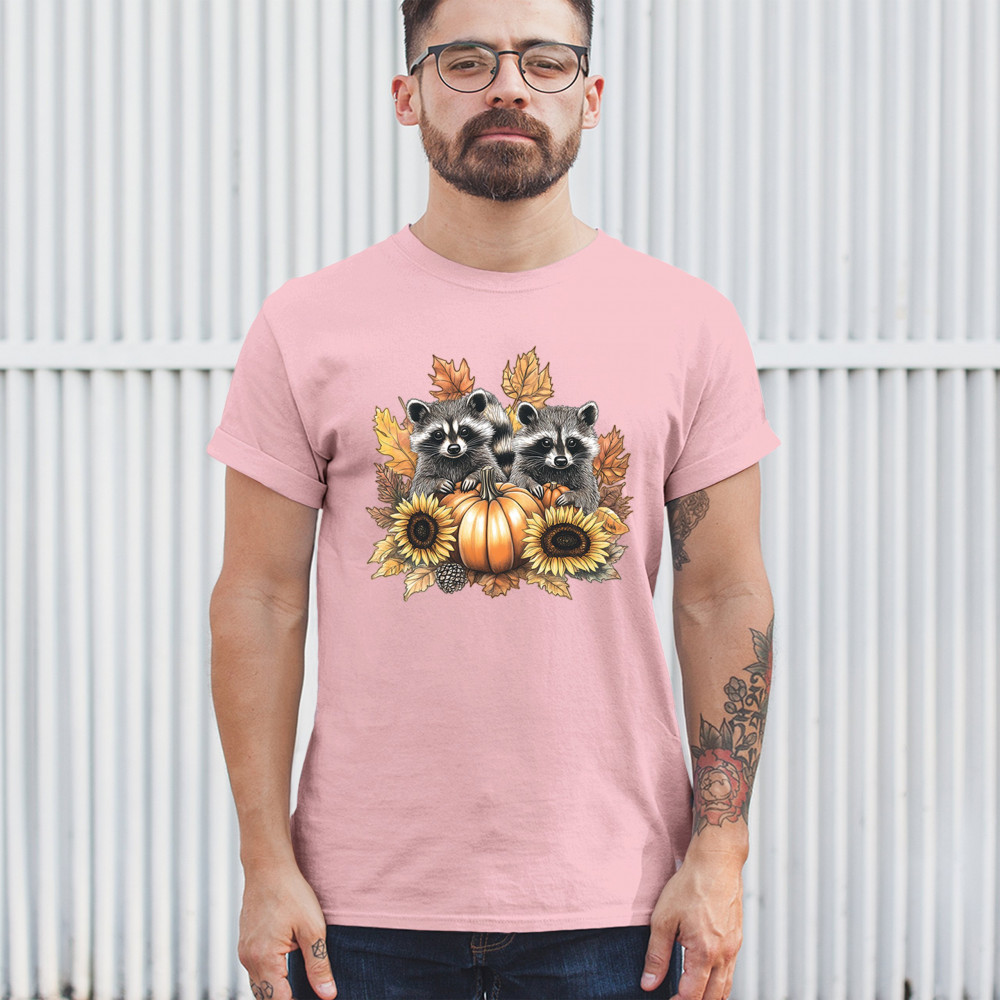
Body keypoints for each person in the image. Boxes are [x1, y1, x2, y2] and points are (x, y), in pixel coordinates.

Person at [206, 0, 779, 997]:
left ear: (590, 96)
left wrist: (720, 850)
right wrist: (264, 862)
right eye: (465, 60)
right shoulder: (305, 323)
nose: (508, 86)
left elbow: (722, 595)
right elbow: (259, 598)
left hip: (618, 906)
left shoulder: (688, 324)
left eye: (545, 61)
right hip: (358, 909)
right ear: (406, 95)